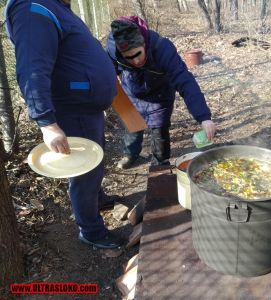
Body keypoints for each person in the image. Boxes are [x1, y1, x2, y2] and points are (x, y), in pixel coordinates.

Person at [5, 0, 122, 249]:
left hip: (86, 108)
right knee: (84, 174)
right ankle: (91, 231)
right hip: (72, 110)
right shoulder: (33, 9)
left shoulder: (56, 7)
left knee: (94, 164)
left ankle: (97, 200)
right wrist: (46, 123)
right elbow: (32, 69)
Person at [106, 16, 216, 169]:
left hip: (160, 95)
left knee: (159, 131)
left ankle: (160, 162)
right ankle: (130, 155)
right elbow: (107, 74)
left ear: (144, 43)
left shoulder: (162, 48)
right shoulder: (112, 50)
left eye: (138, 54)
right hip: (132, 94)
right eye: (129, 58)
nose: (135, 61)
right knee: (132, 127)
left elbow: (185, 81)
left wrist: (204, 117)